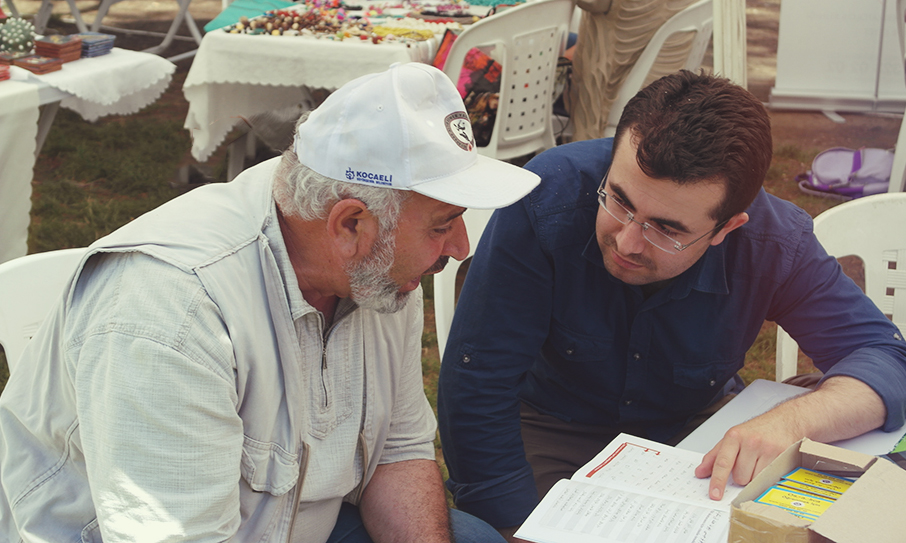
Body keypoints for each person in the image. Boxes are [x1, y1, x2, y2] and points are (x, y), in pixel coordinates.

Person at [0, 63, 540, 543]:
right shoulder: (171, 312)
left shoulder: (374, 268)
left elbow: (395, 450)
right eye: (443, 225)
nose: (460, 247)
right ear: (349, 225)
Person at [436, 69, 906, 541]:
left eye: (666, 229)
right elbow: (479, 383)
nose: (627, 241)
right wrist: (515, 526)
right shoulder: (547, 197)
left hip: (698, 432)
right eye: (618, 201)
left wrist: (790, 422)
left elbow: (884, 358)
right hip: (551, 425)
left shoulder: (773, 242)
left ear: (727, 228)